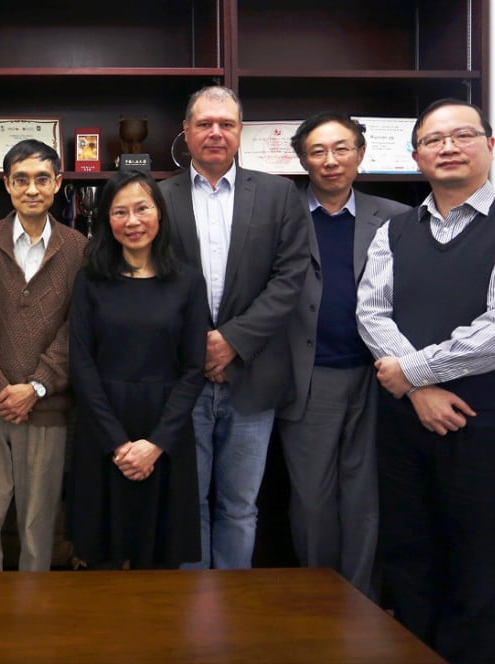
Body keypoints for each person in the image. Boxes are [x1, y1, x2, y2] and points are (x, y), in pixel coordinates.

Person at [356, 98, 495, 663]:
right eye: (434, 140)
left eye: (462, 135)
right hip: (405, 423)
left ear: (490, 145)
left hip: (484, 420)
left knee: (479, 554)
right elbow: (371, 312)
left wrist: (413, 371)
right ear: (416, 157)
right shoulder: (394, 229)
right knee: (410, 549)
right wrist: (418, 391)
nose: (448, 147)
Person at [158, 86, 310, 569]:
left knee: (241, 506)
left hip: (253, 375)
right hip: (184, 379)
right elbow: (148, 283)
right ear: (186, 132)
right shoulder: (159, 198)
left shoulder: (278, 194)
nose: (216, 133)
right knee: (189, 503)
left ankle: (232, 613)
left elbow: (290, 279)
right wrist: (199, 347)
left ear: (241, 131)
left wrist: (232, 342)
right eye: (204, 124)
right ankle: (193, 613)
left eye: (226, 124)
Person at [276, 113, 409, 598]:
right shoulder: (281, 211)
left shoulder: (394, 217)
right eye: (318, 151)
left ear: (360, 153)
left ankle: (362, 603)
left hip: (379, 377)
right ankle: (319, 600)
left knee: (365, 496)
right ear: (302, 159)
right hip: (309, 376)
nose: (330, 161)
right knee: (311, 498)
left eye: (341, 149)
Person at [68, 170, 206, 570]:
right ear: (106, 220)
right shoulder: (90, 280)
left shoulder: (187, 282)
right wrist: (119, 444)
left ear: (159, 214)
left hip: (166, 430)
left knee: (160, 563)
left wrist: (155, 444)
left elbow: (194, 369)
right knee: (101, 559)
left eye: (142, 208)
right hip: (103, 429)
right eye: (120, 212)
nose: (132, 221)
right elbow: (82, 363)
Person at [0, 140, 87, 571]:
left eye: (41, 179)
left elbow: (79, 330)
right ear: (7, 185)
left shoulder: (78, 248)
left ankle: (34, 626)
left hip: (47, 408)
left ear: (58, 183)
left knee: (39, 533)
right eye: (21, 179)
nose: (31, 189)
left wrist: (35, 386)